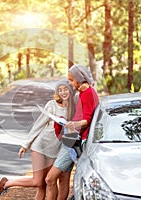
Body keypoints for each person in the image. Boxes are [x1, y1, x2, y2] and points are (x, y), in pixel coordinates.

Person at [0, 79, 75, 200]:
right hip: (40, 146)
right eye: (60, 90)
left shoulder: (73, 108)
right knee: (37, 181)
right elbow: (39, 124)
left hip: (56, 150)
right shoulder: (52, 105)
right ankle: (7, 183)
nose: (63, 92)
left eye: (66, 89)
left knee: (43, 184)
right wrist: (26, 144)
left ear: (71, 90)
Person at [45, 64, 100, 200]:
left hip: (73, 140)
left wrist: (73, 124)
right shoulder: (84, 92)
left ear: (78, 79)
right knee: (63, 178)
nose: (69, 83)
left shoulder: (87, 94)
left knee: (50, 179)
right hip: (72, 137)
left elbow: (87, 119)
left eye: (71, 80)